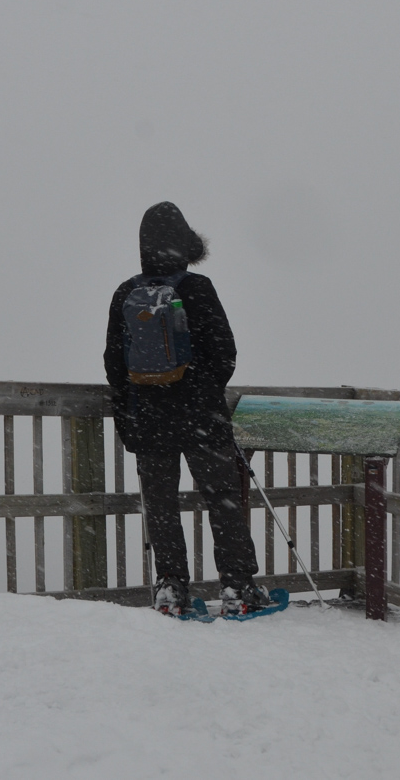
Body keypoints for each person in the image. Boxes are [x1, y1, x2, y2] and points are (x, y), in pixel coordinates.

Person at [104, 201, 270, 617]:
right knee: (222, 500)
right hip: (201, 419)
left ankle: (171, 590)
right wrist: (200, 393)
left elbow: (113, 364)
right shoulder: (197, 289)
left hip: (148, 419)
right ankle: (238, 589)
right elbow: (225, 354)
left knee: (161, 504)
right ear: (183, 244)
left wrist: (130, 417)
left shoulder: (127, 293)